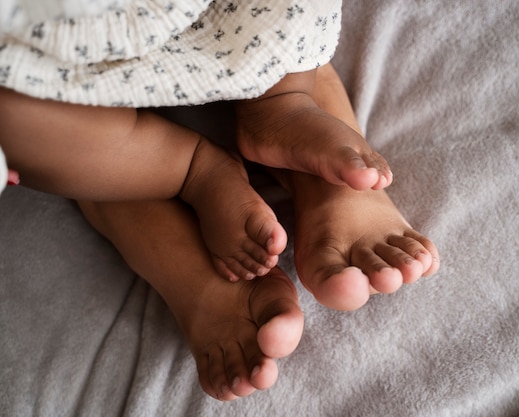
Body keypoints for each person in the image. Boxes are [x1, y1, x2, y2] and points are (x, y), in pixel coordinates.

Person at [0, 0, 439, 401]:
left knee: (283, 41)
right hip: (37, 60)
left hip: (209, 17)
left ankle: (286, 105)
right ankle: (187, 181)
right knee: (17, 124)